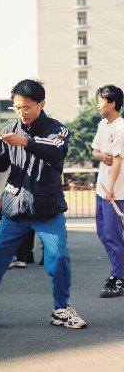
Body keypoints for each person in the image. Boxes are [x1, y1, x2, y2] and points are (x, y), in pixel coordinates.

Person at [0, 79, 86, 329]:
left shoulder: (57, 129)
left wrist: (27, 142)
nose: (21, 113)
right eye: (17, 107)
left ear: (42, 104)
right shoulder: (11, 128)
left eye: (26, 108)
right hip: (15, 207)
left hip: (47, 208)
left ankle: (61, 309)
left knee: (58, 256)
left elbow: (56, 151)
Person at [91, 84, 124, 298]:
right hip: (101, 190)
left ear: (112, 103)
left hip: (116, 192)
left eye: (100, 101)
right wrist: (101, 155)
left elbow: (119, 159)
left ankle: (118, 277)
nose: (97, 104)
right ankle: (119, 271)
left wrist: (111, 188)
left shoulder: (121, 127)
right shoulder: (103, 124)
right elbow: (95, 151)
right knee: (103, 233)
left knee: (113, 236)